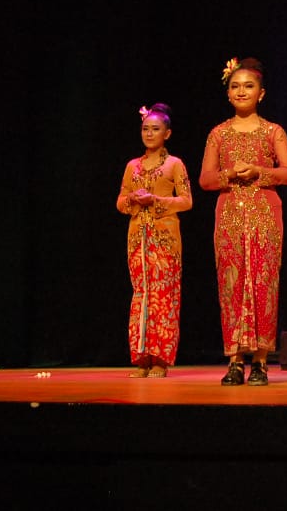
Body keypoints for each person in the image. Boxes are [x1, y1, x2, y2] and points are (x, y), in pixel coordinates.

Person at [199, 57, 287, 386]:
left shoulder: (273, 131)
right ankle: (234, 361)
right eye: (235, 86)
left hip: (265, 214)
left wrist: (259, 172)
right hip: (228, 216)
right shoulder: (218, 134)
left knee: (262, 284)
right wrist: (229, 173)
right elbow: (205, 180)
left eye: (249, 86)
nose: (241, 91)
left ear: (262, 93)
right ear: (228, 93)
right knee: (232, 285)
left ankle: (261, 361)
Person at [116, 103, 193, 378]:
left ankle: (161, 359)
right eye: (145, 129)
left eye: (155, 129)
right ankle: (142, 358)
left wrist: (156, 201)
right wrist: (132, 200)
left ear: (167, 134)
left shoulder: (175, 165)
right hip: (138, 236)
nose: (149, 134)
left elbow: (187, 201)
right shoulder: (132, 166)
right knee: (141, 294)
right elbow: (120, 202)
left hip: (165, 237)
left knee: (164, 295)